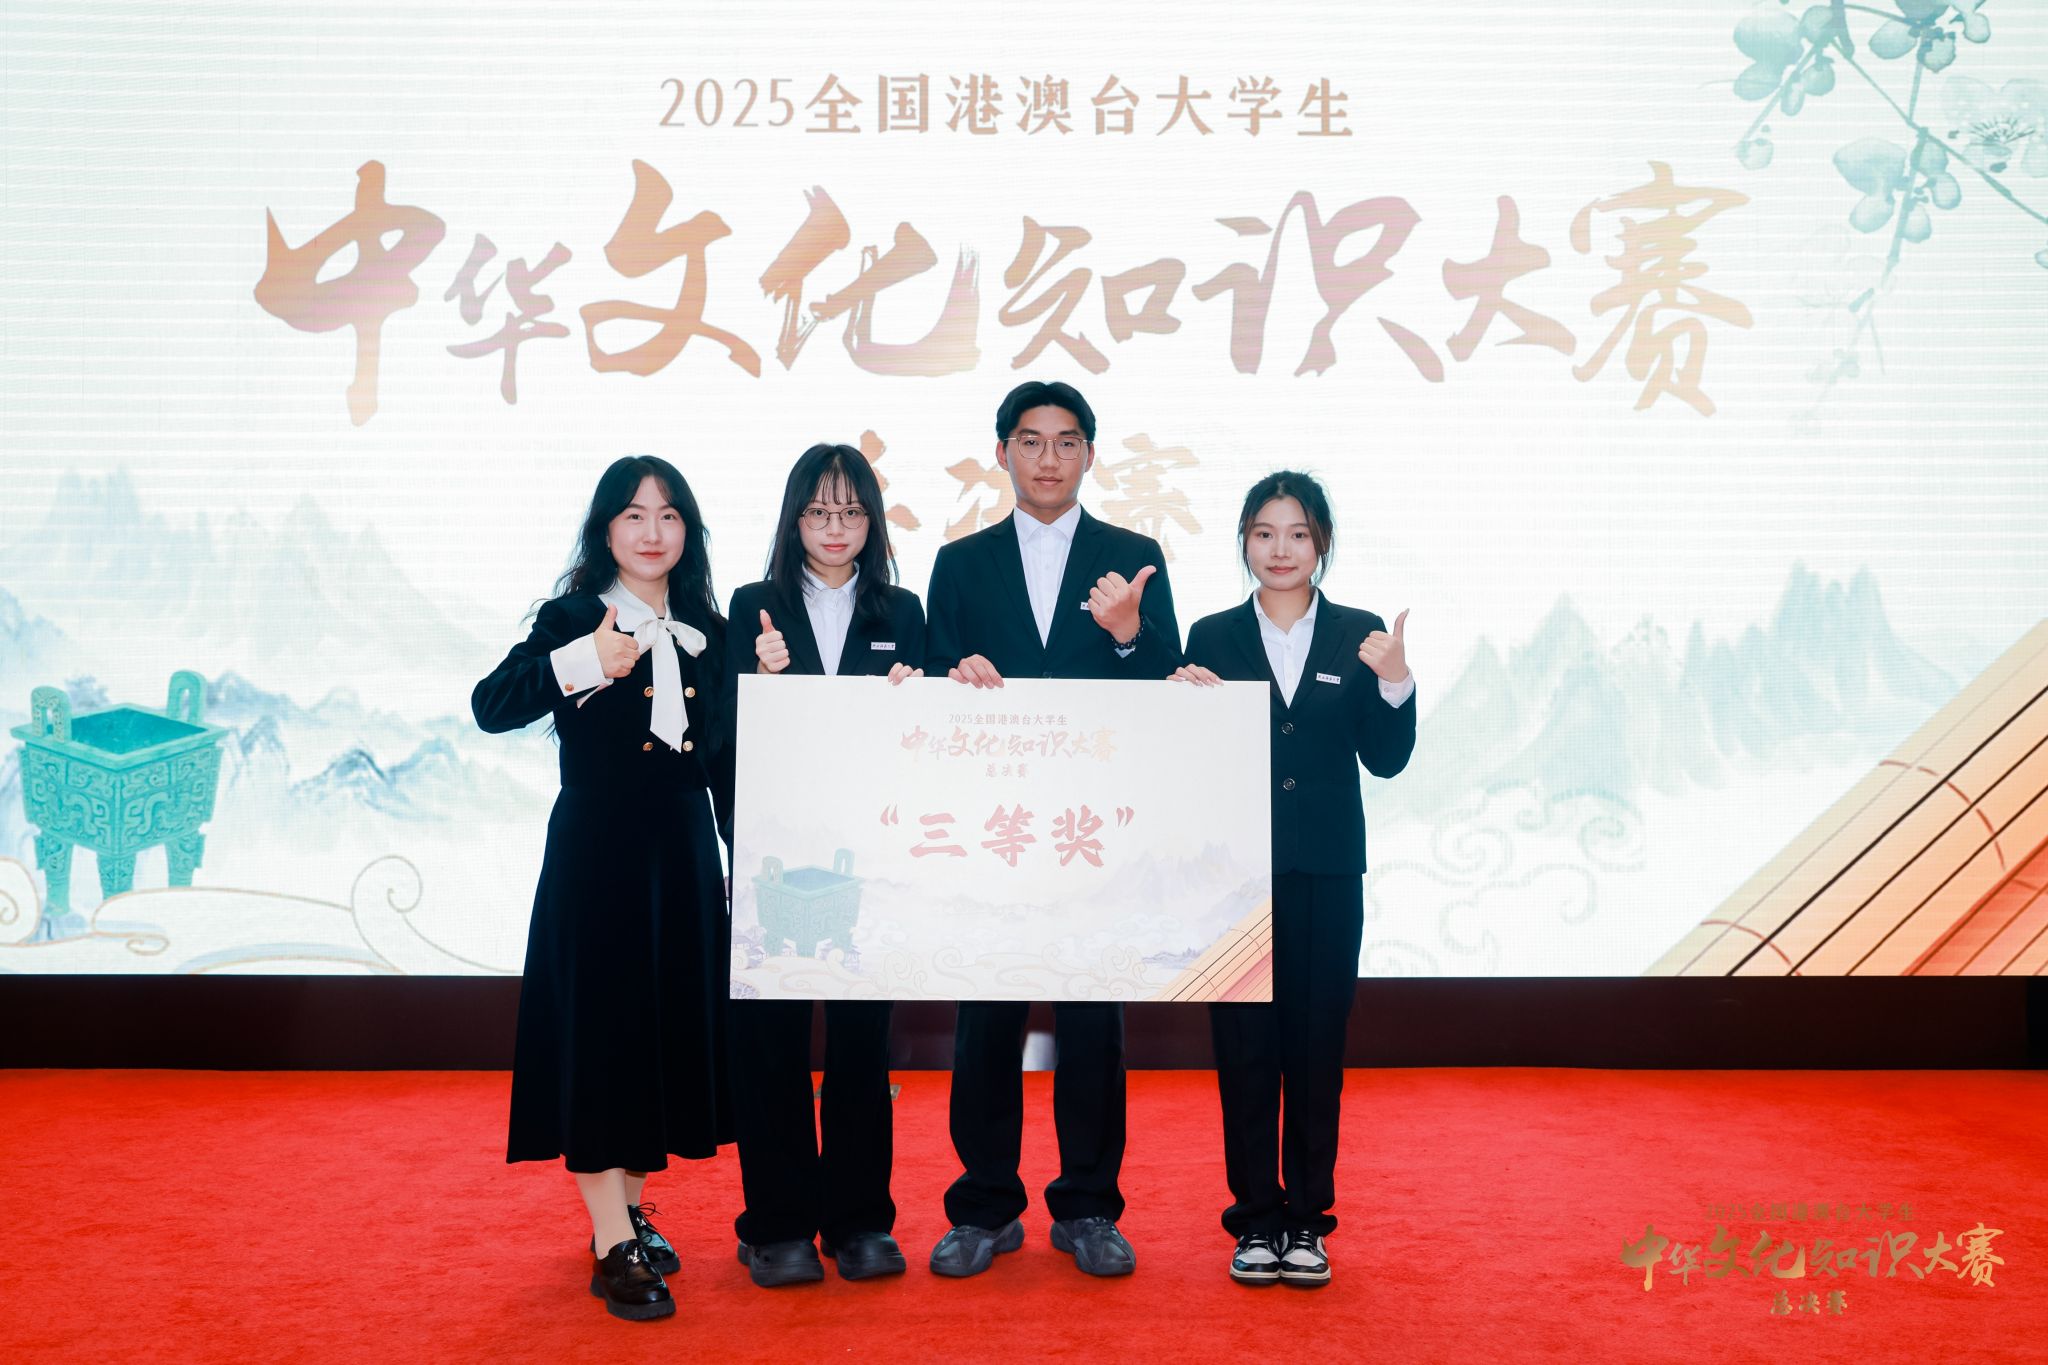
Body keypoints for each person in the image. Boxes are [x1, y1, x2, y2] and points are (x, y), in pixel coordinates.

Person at [922, 379, 1183, 1279]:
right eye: (1030, 441)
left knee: (1093, 1021)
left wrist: (1128, 633)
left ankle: (1089, 1207)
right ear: (1002, 452)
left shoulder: (1133, 556)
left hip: (1091, 830)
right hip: (992, 828)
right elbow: (929, 679)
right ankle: (984, 1207)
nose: (1047, 458)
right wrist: (953, 674)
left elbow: (1169, 684)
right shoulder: (960, 563)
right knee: (984, 1019)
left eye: (1066, 441)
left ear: (1089, 455)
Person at [471, 455, 734, 1322]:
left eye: (669, 515)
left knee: (656, 1033)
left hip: (683, 851)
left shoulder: (708, 626)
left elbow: (724, 757)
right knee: (602, 1035)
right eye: (633, 515)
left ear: (688, 529)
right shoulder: (573, 616)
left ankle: (626, 1212)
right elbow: (491, 704)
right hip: (599, 852)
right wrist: (584, 659)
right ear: (605, 529)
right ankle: (612, 1237)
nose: (652, 531)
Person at [1173, 470, 1416, 1288]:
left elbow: (1386, 759)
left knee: (1316, 1047)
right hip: (1234, 878)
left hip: (1327, 873)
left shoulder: (1360, 633)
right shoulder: (1209, 635)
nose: (1281, 549)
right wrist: (1179, 703)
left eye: (1299, 533)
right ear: (1244, 540)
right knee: (1245, 1051)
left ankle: (1308, 1220)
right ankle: (1255, 1220)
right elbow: (1191, 763)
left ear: (1322, 544)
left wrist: (1396, 681)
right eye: (1264, 532)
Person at [721, 443, 927, 1288]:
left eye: (850, 511)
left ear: (871, 520)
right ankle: (776, 1225)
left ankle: (858, 1220)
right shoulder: (753, 606)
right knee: (769, 1043)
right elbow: (722, 736)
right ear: (793, 519)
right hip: (774, 856)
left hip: (865, 858)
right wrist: (761, 680)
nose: (834, 527)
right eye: (818, 511)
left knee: (860, 1047)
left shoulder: (903, 609)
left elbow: (927, 743)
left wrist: (920, 697)